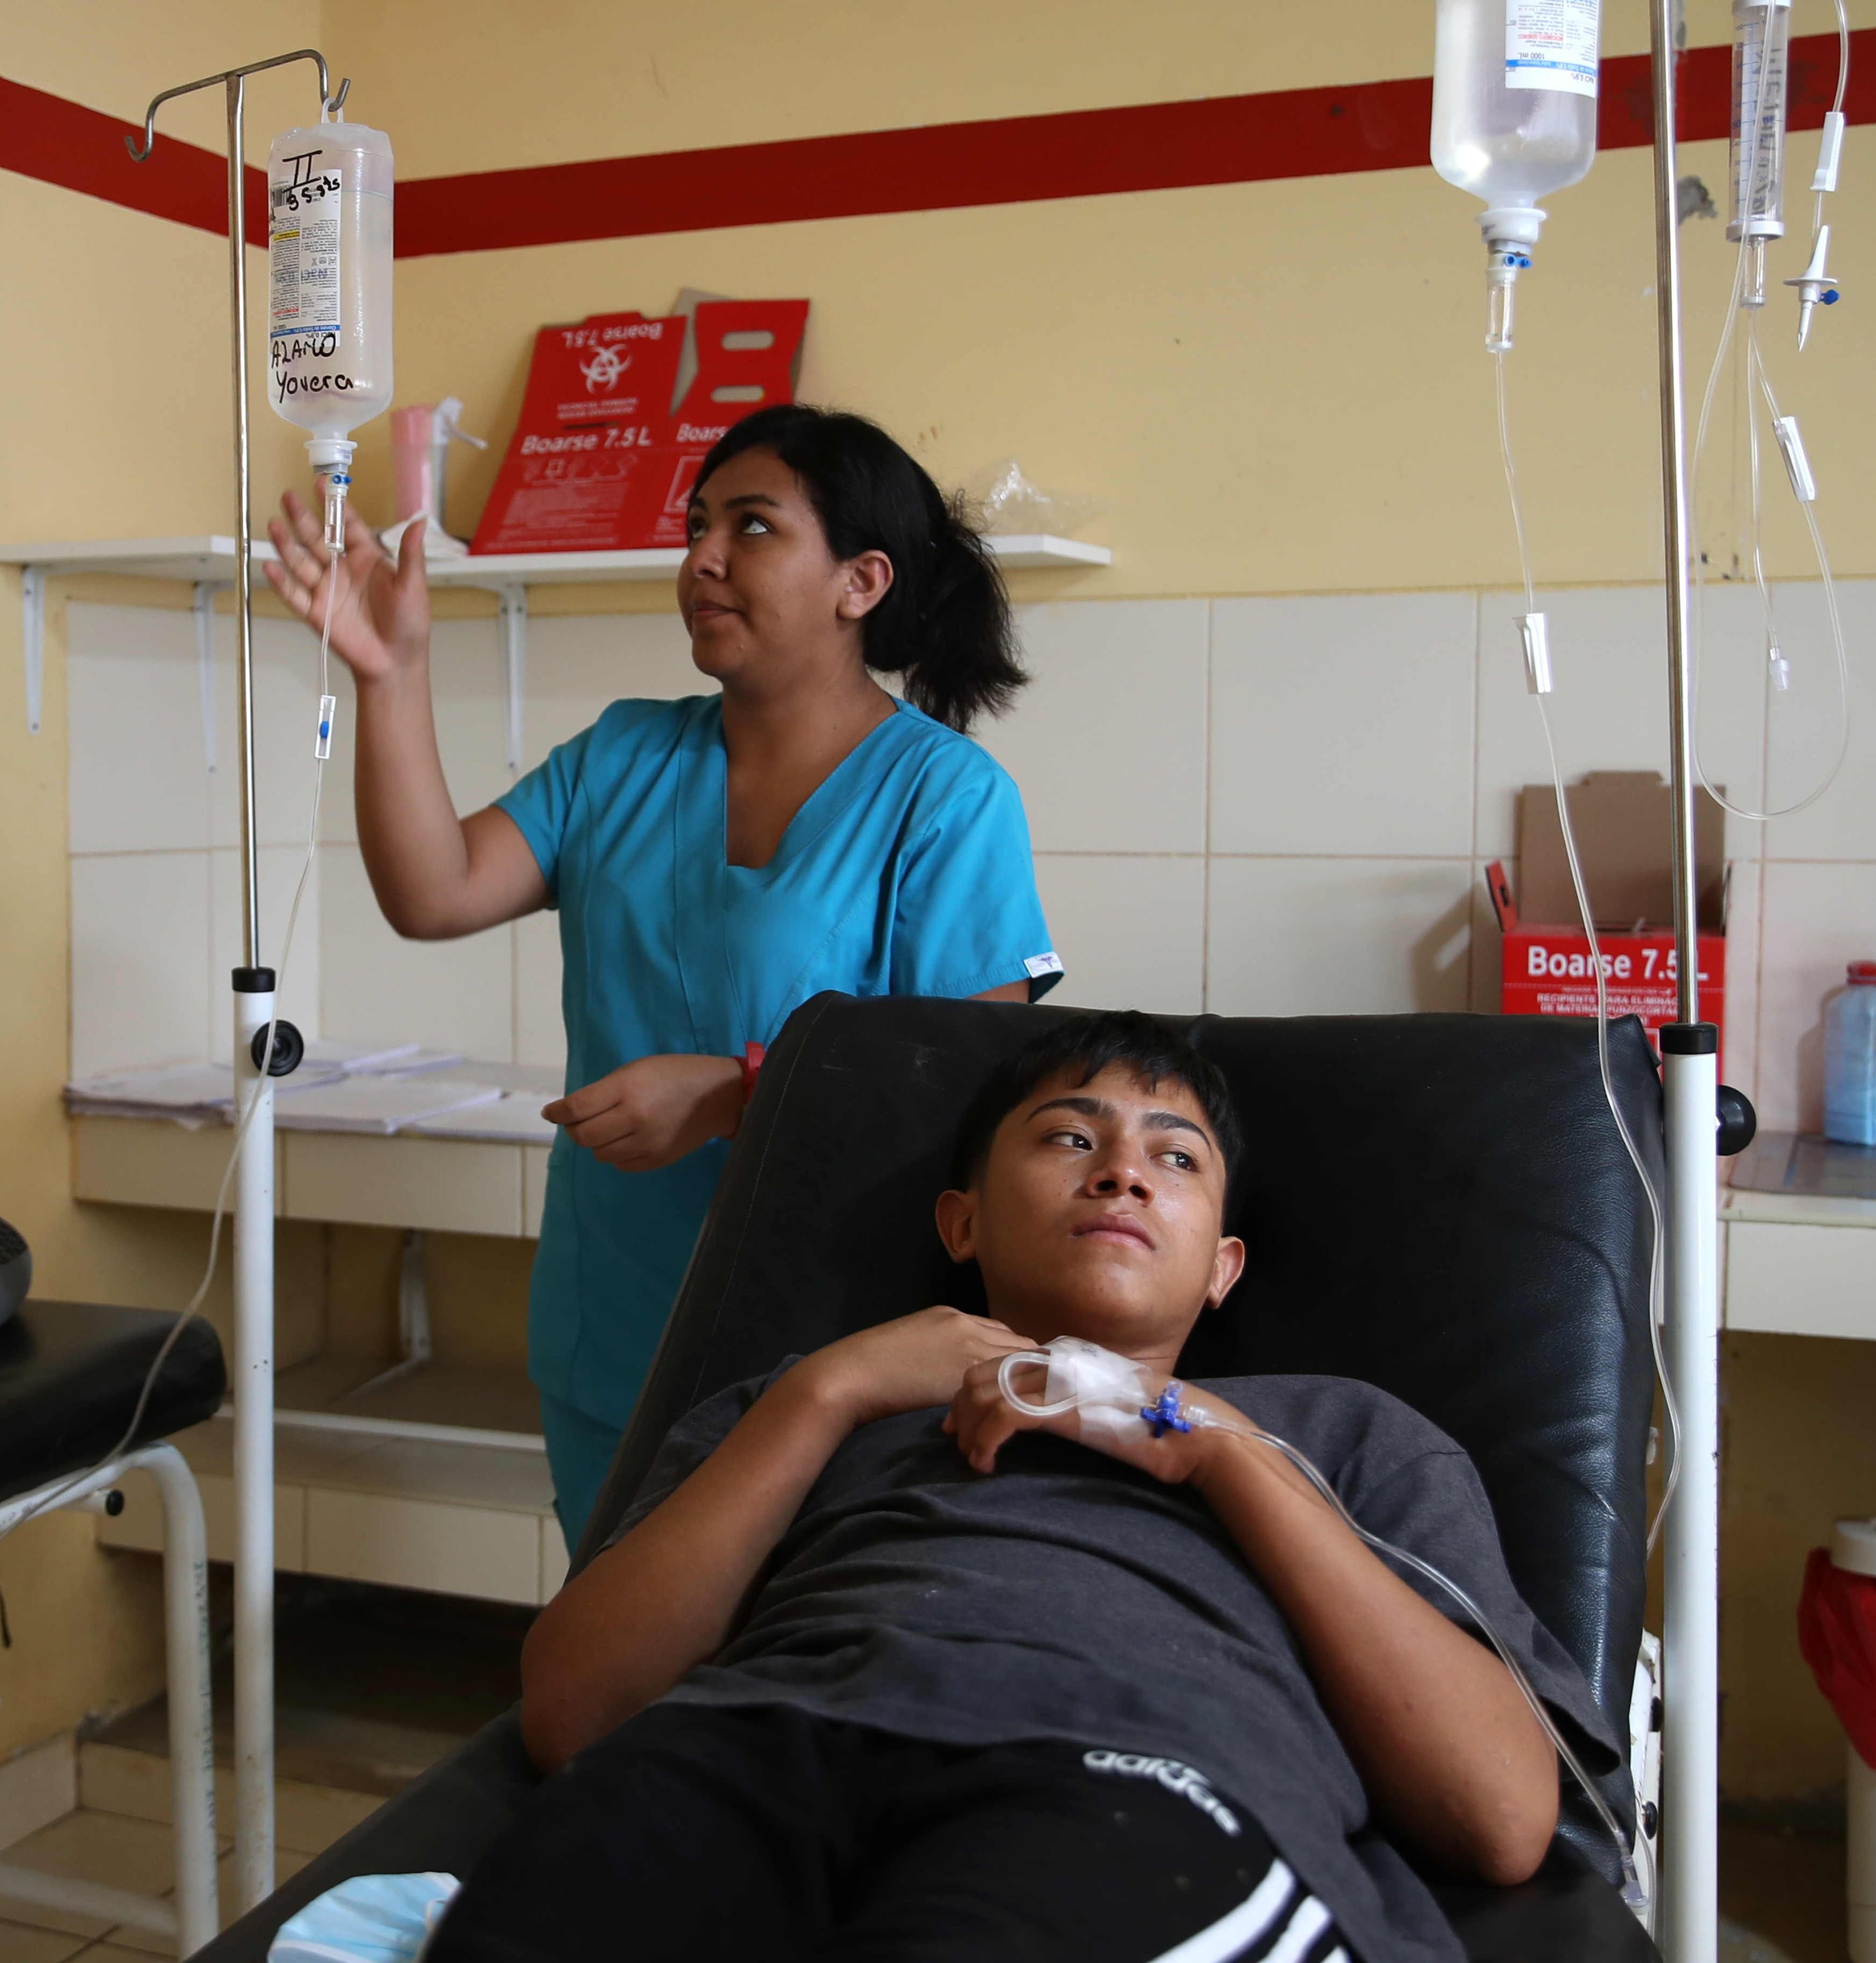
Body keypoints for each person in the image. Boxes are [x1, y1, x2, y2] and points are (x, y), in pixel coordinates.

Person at [427, 1012, 1619, 1963]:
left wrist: (1197, 1439)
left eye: (1175, 1155)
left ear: (1223, 1267)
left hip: (1127, 1778)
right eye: (1066, 1136)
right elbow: (579, 1708)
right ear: (960, 1220)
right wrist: (828, 1390)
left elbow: (1498, 1816)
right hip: (751, 1740)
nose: (1121, 1172)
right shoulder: (812, 1402)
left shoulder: (1340, 1433)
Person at [264, 404, 1063, 1545]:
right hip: (615, 1334)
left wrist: (738, 1092)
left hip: (836, 1350)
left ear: (861, 581)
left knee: (775, 1685)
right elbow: (433, 891)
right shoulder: (625, 754)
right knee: (614, 1677)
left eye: (751, 526)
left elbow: (972, 1085)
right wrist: (392, 676)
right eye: (697, 525)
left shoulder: (945, 796)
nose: (700, 558)